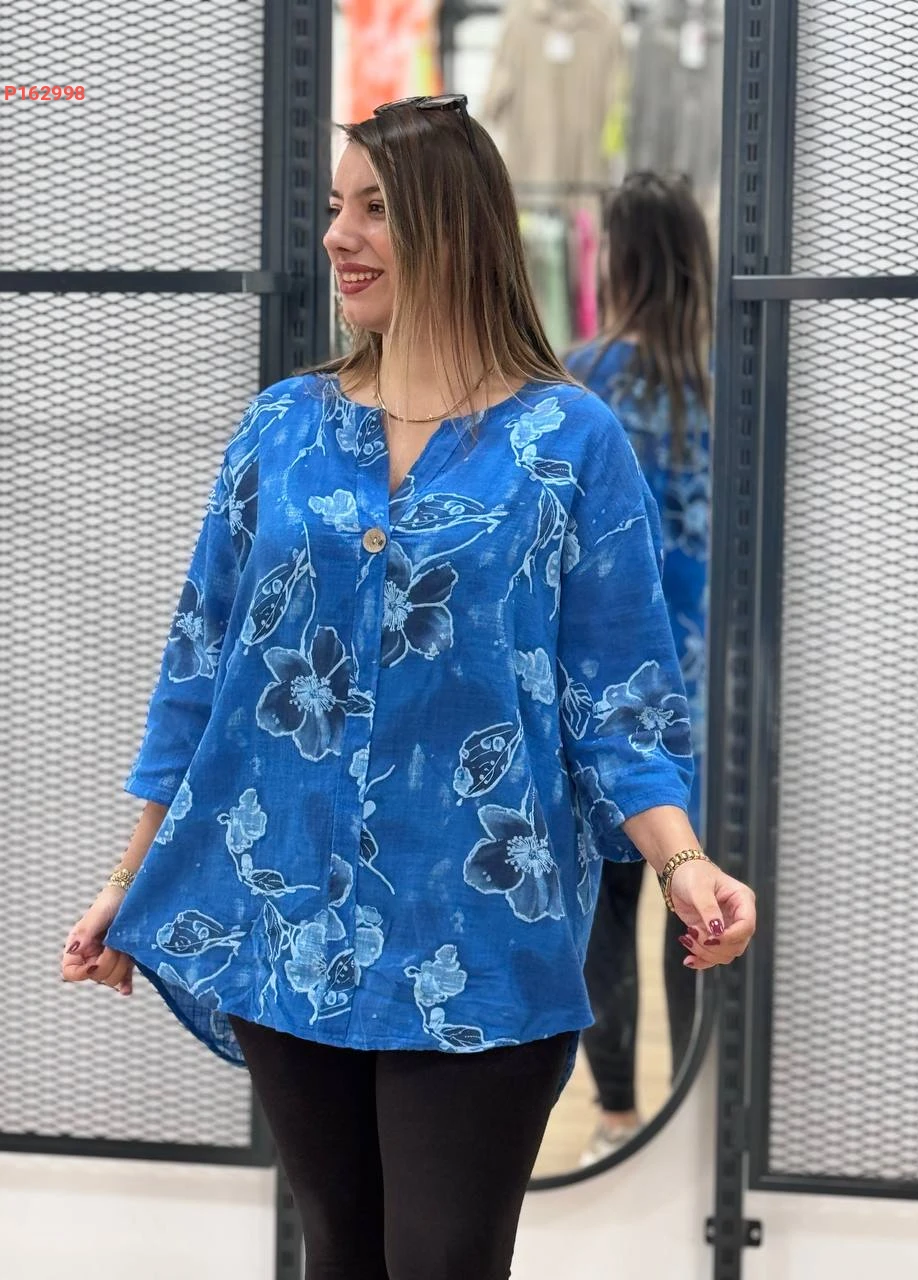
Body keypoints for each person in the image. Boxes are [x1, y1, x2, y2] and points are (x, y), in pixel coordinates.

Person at [61, 99, 754, 1280]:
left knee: (444, 1256)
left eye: (374, 208)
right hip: (291, 920)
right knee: (339, 1249)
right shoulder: (282, 427)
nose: (339, 234)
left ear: (457, 226)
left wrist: (683, 862)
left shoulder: (569, 440)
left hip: (481, 927)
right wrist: (126, 877)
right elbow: (201, 669)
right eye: (337, 207)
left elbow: (620, 700)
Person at [565, 171, 714, 1166]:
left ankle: (617, 1115)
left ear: (613, 260)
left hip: (610, 694)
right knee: (699, 903)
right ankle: (693, 1125)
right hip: (714, 694)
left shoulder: (581, 379)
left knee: (605, 913)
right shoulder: (727, 383)